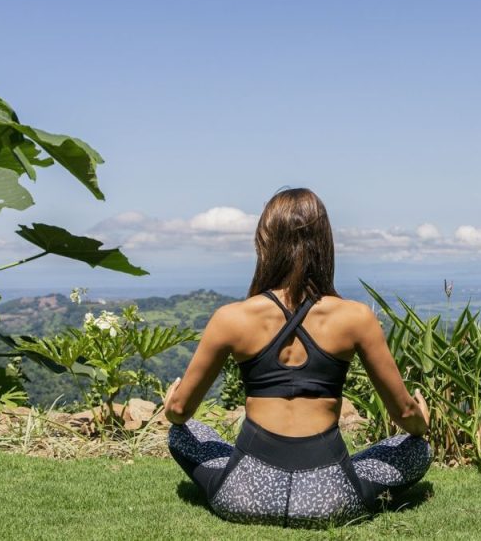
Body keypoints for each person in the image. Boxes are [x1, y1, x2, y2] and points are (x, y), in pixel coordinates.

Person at [163, 188, 433, 528]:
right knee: (418, 448)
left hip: (245, 495)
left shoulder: (231, 318)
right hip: (330, 499)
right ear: (325, 243)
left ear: (265, 243)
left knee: (182, 434)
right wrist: (420, 420)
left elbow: (179, 413)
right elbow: (405, 414)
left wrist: (171, 402)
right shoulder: (356, 317)